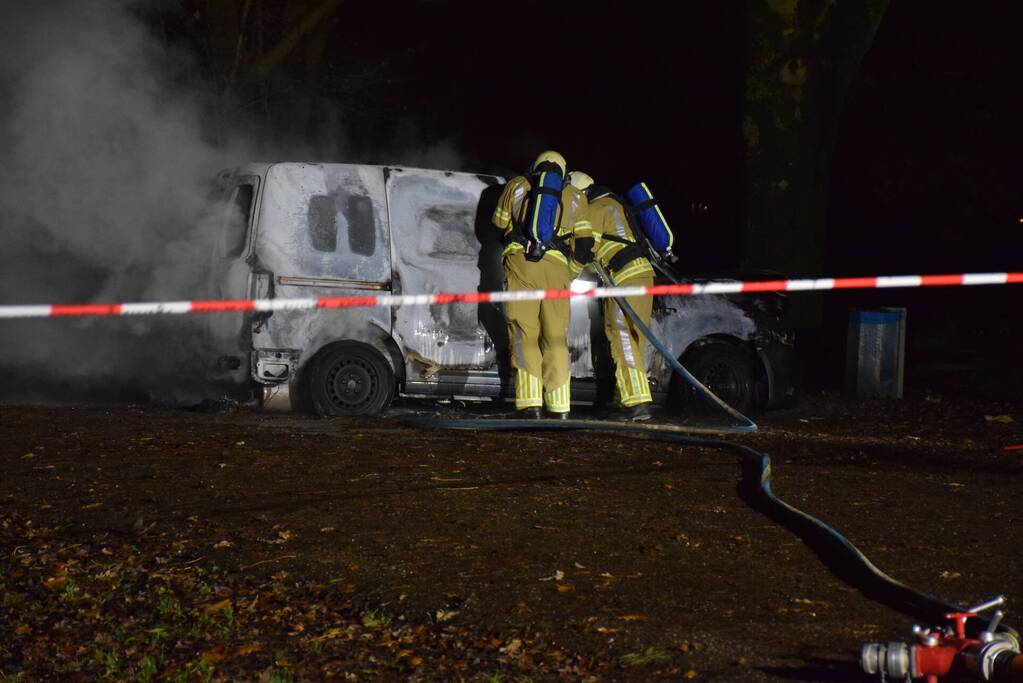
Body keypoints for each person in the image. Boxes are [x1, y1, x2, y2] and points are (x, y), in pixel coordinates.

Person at [492, 151, 592, 419]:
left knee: (525, 333)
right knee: (556, 337)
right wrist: (568, 275)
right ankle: (560, 407)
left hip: (521, 263)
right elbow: (584, 246)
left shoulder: (517, 185)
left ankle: (530, 404)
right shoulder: (576, 196)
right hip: (558, 269)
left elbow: (499, 222)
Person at [567, 171, 655, 421]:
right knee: (634, 339)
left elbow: (583, 250)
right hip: (643, 276)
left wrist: (567, 275)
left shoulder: (595, 209)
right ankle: (624, 399)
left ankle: (636, 402)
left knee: (620, 335)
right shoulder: (614, 204)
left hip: (624, 278)